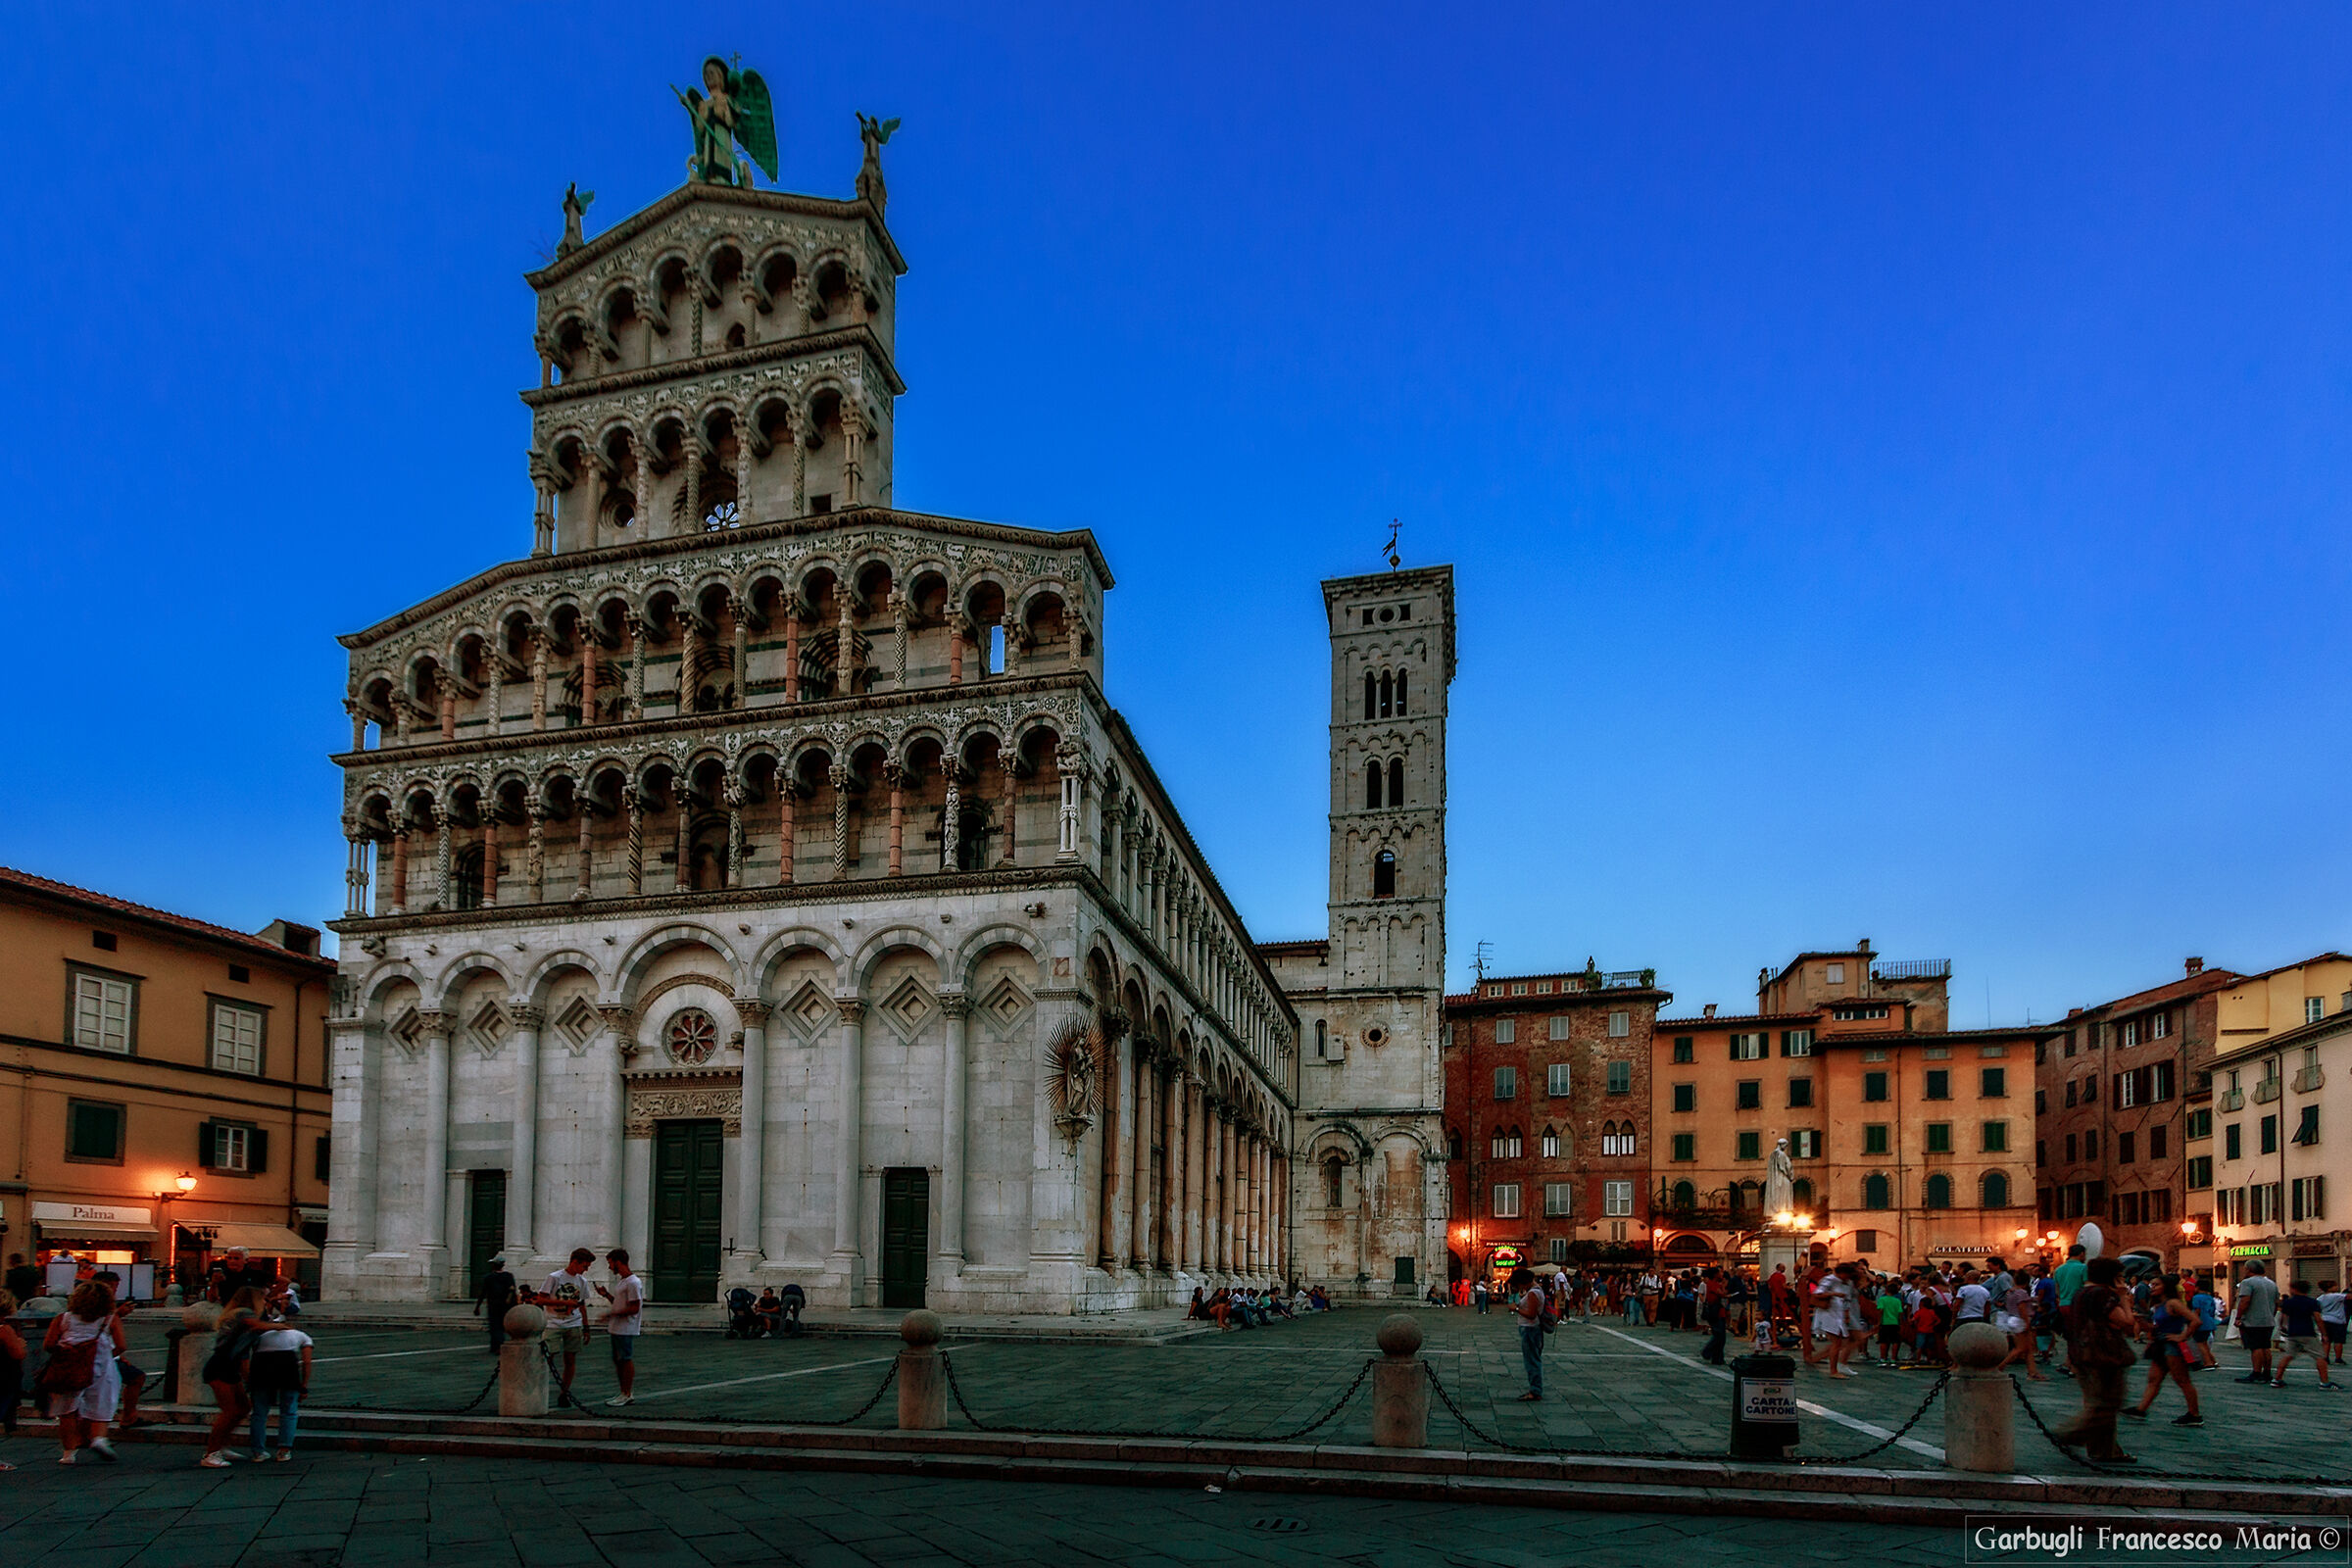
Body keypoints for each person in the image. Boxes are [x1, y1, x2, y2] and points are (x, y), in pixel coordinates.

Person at [2051, 1256, 2138, 1463]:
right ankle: (2069, 1433)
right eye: (2120, 1277)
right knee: (2108, 1404)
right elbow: (2126, 1321)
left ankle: (2105, 1451)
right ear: (2112, 1277)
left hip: (2081, 1354)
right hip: (2104, 1356)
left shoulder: (2080, 1293)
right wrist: (2124, 1298)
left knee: (2098, 1402)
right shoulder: (2102, 1294)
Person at [42, 1279, 125, 1464]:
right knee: (101, 1404)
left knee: (67, 1411)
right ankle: (99, 1439)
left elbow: (48, 1344)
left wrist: (67, 1350)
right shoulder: (109, 1318)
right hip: (101, 1367)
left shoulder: (62, 1319)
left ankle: (68, 1454)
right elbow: (121, 1345)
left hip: (69, 1369)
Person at [199, 1288, 268, 1467]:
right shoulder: (243, 1313)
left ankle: (222, 1445)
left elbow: (244, 1355)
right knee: (229, 1411)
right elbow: (258, 1326)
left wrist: (247, 1378)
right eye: (263, 1298)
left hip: (230, 1366)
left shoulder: (243, 1317)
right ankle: (211, 1453)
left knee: (243, 1407)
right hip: (220, 1366)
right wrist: (282, 1326)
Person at [2125, 1279, 2202, 1426]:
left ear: (2166, 1287)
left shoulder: (2173, 1303)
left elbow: (2196, 1321)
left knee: (2182, 1380)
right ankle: (2141, 1409)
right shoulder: (2159, 1305)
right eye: (2152, 1285)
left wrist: (2182, 1336)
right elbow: (2154, 1328)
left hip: (2171, 1345)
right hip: (2160, 1344)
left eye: (2157, 1284)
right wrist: (2141, 1322)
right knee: (2154, 1379)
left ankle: (2195, 1414)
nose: (2152, 1287)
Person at [246, 1313, 313, 1460]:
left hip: (262, 1367)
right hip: (287, 1368)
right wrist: (304, 1385)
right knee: (289, 1411)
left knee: (259, 1413)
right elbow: (307, 1362)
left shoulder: (262, 1335)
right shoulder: (301, 1335)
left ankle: (258, 1451)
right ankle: (284, 1450)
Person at [533, 1249, 598, 1392]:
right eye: (584, 1266)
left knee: (570, 1359)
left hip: (574, 1323)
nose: (585, 1270)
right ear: (575, 1262)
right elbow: (540, 1299)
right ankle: (538, 1388)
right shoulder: (554, 1277)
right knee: (548, 1356)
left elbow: (582, 1306)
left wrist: (586, 1328)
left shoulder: (582, 1281)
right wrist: (565, 1303)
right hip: (553, 1323)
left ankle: (565, 1391)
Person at [2271, 1278, 2338, 1391]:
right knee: (2320, 1357)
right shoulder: (2312, 1302)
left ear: (2294, 1289)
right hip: (2308, 1332)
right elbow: (2318, 1318)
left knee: (2288, 1355)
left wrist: (2283, 1327)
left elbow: (2283, 1317)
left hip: (2292, 1333)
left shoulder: (2288, 1302)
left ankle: (2277, 1379)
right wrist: (2324, 1334)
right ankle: (2325, 1382)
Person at [597, 1249, 644, 1406]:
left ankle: (627, 1392)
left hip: (625, 1328)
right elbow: (619, 1303)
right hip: (617, 1328)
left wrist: (611, 1315)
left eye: (610, 1263)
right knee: (618, 1360)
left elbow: (634, 1307)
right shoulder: (623, 1281)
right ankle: (623, 1392)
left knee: (625, 1359)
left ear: (618, 1261)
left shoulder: (633, 1282)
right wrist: (606, 1295)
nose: (609, 1267)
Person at [2232, 1263, 2280, 1385]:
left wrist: (2238, 1317)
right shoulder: (2271, 1283)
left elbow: (2245, 1300)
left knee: (2256, 1347)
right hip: (2268, 1319)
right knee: (2266, 1347)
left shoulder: (2247, 1283)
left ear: (2249, 1270)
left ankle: (2256, 1372)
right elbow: (2276, 1302)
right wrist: (2272, 1314)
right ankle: (2267, 1372)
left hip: (2252, 1320)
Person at [1510, 1267, 1545, 1401]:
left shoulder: (1532, 1293)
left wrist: (1517, 1308)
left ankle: (1535, 1391)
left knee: (1532, 1361)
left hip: (1530, 1329)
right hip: (1532, 1329)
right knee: (1533, 1360)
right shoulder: (1535, 1291)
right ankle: (1535, 1389)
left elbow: (1531, 1315)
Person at [475, 1256, 518, 1353]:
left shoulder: (489, 1277)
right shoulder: (508, 1276)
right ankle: (496, 1345)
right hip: (505, 1305)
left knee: (495, 1326)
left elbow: (483, 1293)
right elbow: (512, 1291)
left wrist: (477, 1307)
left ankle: (497, 1346)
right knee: (501, 1325)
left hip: (494, 1305)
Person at [2189, 1276, 2221, 1369]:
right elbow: (2212, 1310)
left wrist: (2192, 1321)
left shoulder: (2196, 1298)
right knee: (2205, 1343)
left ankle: (2207, 1363)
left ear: (2197, 1287)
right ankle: (2212, 1361)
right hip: (2209, 1322)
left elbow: (2197, 1310)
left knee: (2200, 1343)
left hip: (2200, 1322)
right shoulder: (2210, 1297)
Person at [2318, 1279, 2348, 1366]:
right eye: (2335, 1285)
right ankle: (2338, 1358)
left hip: (2325, 1319)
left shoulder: (2320, 1298)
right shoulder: (2337, 1296)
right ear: (2330, 1288)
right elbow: (2348, 1297)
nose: (2337, 1287)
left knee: (2326, 1340)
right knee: (2338, 1341)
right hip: (2337, 1320)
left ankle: (2325, 1357)